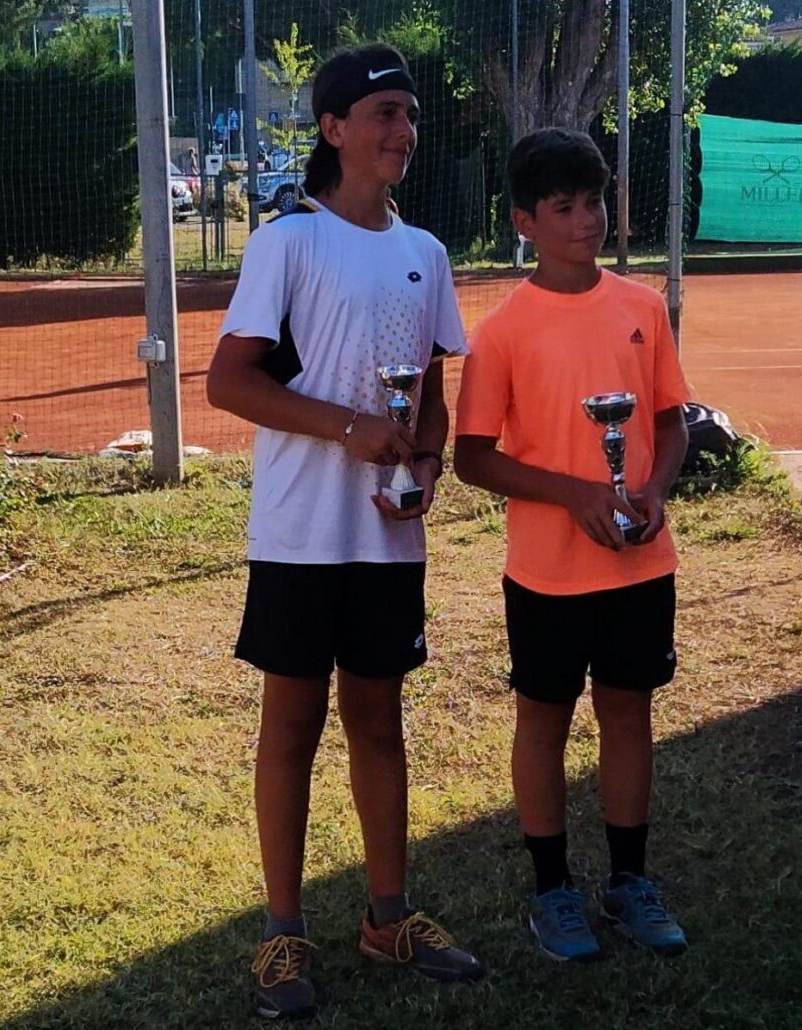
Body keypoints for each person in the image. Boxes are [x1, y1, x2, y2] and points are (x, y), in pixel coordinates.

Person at [207, 42, 484, 1021]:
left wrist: (423, 467)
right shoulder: (288, 241)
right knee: (291, 724)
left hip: (385, 539)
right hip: (298, 533)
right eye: (384, 114)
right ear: (333, 128)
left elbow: (432, 394)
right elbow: (229, 380)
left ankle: (387, 916)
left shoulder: (425, 254)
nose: (403, 131)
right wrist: (347, 427)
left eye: (409, 114)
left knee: (378, 720)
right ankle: (282, 931)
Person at [454, 128, 691, 963]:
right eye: (564, 207)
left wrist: (652, 490)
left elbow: (671, 423)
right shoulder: (501, 332)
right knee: (545, 720)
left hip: (639, 563)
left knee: (628, 713)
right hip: (548, 574)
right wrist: (574, 493)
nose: (586, 220)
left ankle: (629, 881)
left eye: (594, 202)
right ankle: (552, 890)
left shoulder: (642, 308)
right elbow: (472, 458)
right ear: (526, 221)